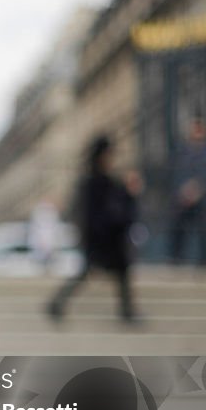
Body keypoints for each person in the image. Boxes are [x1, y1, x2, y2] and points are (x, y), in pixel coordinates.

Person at [47, 134, 142, 324]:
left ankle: (126, 311)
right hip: (101, 238)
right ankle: (126, 312)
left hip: (105, 238)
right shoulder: (95, 182)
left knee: (117, 272)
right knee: (108, 271)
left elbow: (119, 206)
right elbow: (98, 212)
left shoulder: (102, 181)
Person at [168, 113, 206, 265]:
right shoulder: (183, 150)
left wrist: (197, 189)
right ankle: (176, 257)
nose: (196, 132)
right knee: (179, 226)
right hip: (185, 196)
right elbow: (178, 172)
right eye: (194, 129)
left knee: (205, 228)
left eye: (199, 129)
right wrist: (184, 190)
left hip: (202, 196)